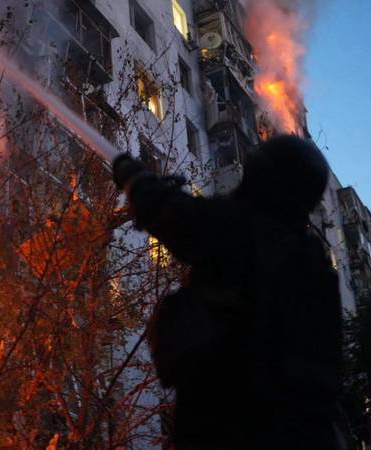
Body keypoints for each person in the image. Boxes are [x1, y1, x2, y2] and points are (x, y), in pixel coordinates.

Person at [112, 135, 344, 450]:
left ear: (261, 175)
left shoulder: (248, 230)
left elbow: (177, 217)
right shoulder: (314, 267)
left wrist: (134, 177)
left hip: (232, 421)